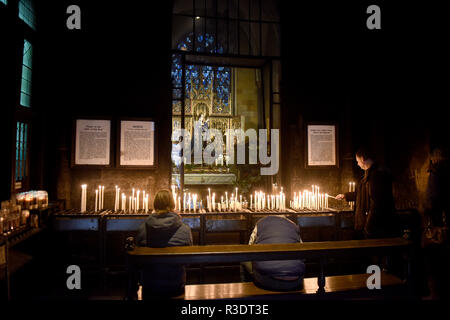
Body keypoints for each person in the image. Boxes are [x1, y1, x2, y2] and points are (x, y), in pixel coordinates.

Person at [136, 189, 193, 299]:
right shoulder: (184, 229)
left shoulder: (143, 229)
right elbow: (188, 261)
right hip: (175, 287)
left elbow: (139, 262)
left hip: (150, 287)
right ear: (172, 204)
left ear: (155, 205)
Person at [336, 147, 398, 239]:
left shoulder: (376, 176)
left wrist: (368, 227)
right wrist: (345, 195)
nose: (357, 164)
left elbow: (376, 203)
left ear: (362, 159)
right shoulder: (370, 175)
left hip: (375, 226)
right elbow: (362, 194)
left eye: (358, 161)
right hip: (369, 223)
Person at [241, 215, 306, 291]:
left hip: (268, 279)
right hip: (296, 279)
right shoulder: (293, 226)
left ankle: (246, 289)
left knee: (244, 260)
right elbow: (303, 254)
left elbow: (250, 250)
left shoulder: (259, 224)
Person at [422, 146, 450, 299]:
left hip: (439, 225)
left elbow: (431, 201)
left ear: (434, 157)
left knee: (434, 261)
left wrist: (426, 212)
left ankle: (435, 294)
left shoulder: (436, 172)